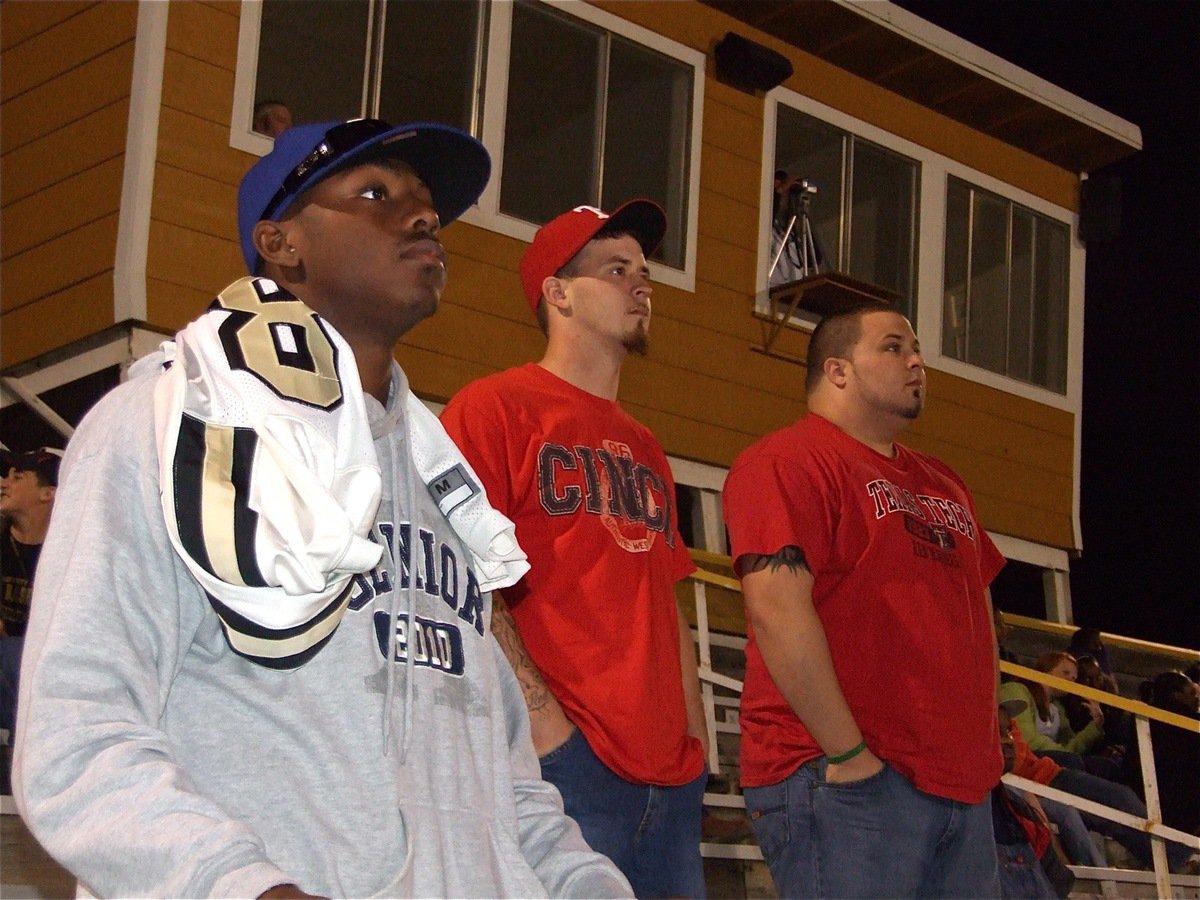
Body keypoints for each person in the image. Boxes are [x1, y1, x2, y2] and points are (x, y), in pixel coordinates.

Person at [14, 118, 631, 899]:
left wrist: (584, 884)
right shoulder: (161, 425)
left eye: (426, 201)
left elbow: (502, 781)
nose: (421, 215)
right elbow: (77, 731)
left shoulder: (446, 489)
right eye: (373, 193)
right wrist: (243, 887)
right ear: (281, 244)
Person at [440, 201, 709, 897]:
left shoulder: (646, 443)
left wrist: (694, 743)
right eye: (616, 270)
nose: (640, 285)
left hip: (670, 780)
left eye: (644, 272)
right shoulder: (492, 410)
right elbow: (464, 577)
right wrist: (545, 731)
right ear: (558, 292)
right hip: (565, 769)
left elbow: (664, 597)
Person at [722, 300, 1004, 898]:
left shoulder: (946, 483)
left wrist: (983, 760)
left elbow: (977, 614)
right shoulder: (788, 461)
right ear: (838, 370)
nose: (917, 361)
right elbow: (777, 612)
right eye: (894, 347)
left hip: (961, 788)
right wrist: (849, 755)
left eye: (917, 349)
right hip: (850, 780)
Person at [1006, 702, 1194, 871]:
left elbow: (1024, 755)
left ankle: (1178, 858)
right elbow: (1013, 762)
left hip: (1051, 773)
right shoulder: (989, 731)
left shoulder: (1005, 724)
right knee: (1116, 807)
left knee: (1121, 796)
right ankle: (1177, 862)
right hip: (1035, 786)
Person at [0, 448, 61, 780]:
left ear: (48, 493)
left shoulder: (70, 549)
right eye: (6, 475)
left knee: (15, 654)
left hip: (52, 673)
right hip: (9, 670)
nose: (5, 483)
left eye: (17, 477)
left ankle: (22, 771)